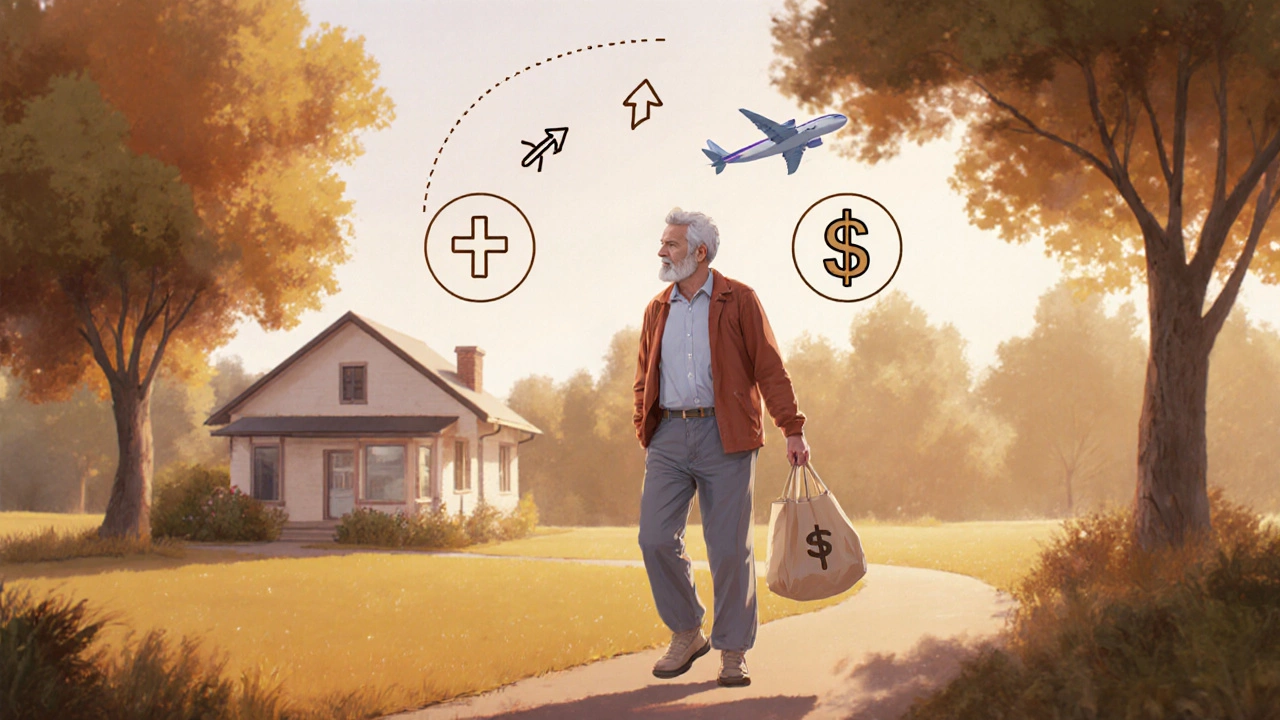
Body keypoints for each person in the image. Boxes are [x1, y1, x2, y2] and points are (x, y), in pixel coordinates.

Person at [634, 207, 810, 687]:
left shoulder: (740, 300)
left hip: (726, 432)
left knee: (730, 549)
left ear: (699, 252)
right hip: (668, 434)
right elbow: (643, 377)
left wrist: (791, 427)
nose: (662, 251)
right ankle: (688, 629)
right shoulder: (657, 308)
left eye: (671, 244)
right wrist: (644, 428)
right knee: (653, 538)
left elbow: (770, 368)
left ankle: (732, 651)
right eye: (664, 242)